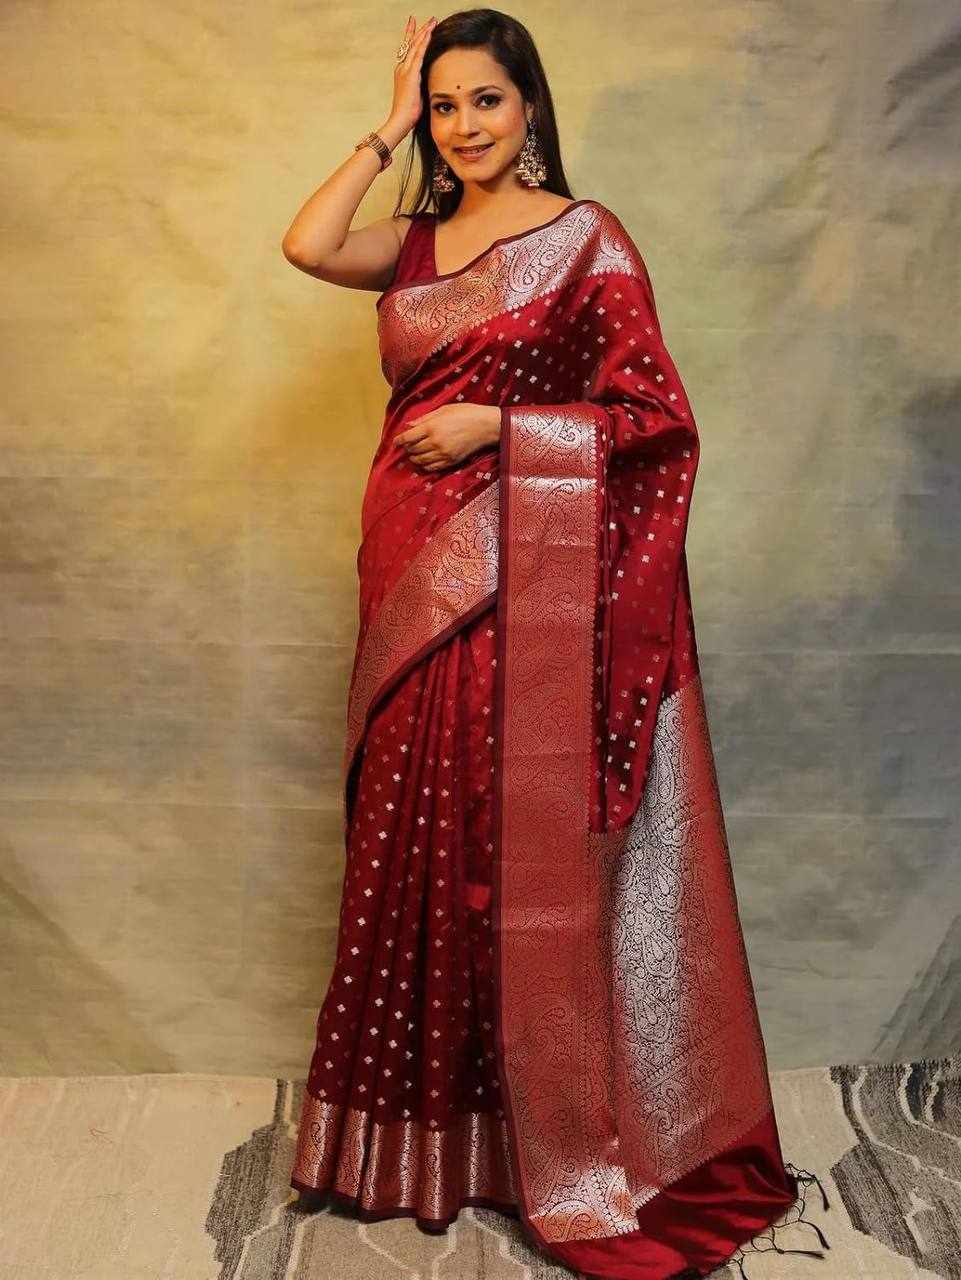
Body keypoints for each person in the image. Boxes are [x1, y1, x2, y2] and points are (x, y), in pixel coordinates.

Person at [281, 10, 830, 1278]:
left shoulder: (588, 240)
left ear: (529, 105)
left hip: (519, 576)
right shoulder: (414, 239)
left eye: (486, 99)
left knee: (498, 837)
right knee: (409, 824)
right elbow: (305, 244)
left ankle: (532, 1135)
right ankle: (414, 1144)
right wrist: (383, 127)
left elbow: (654, 419)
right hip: (405, 560)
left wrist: (499, 425)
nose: (464, 126)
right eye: (445, 105)